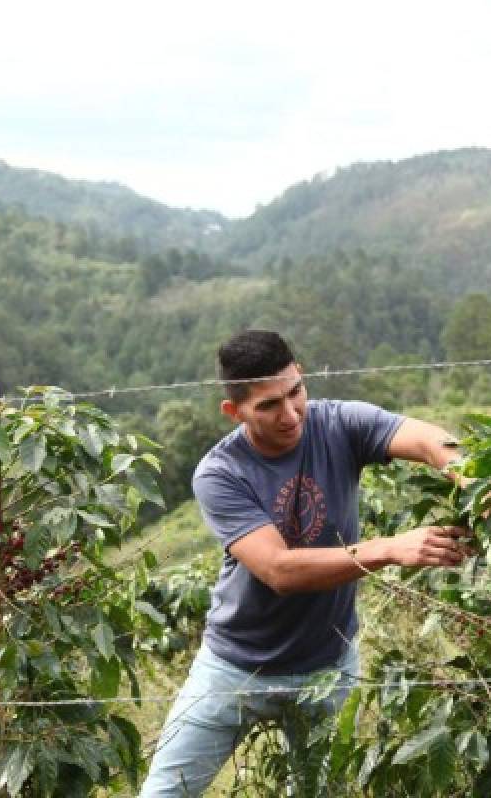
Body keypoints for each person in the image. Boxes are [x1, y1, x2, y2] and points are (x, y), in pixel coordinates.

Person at [138, 330, 473, 797]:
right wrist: (390, 548)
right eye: (269, 405)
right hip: (234, 666)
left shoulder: (339, 423)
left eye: (296, 391)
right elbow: (279, 570)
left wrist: (468, 474)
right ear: (234, 412)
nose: (291, 414)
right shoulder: (220, 473)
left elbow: (428, 439)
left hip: (327, 665)